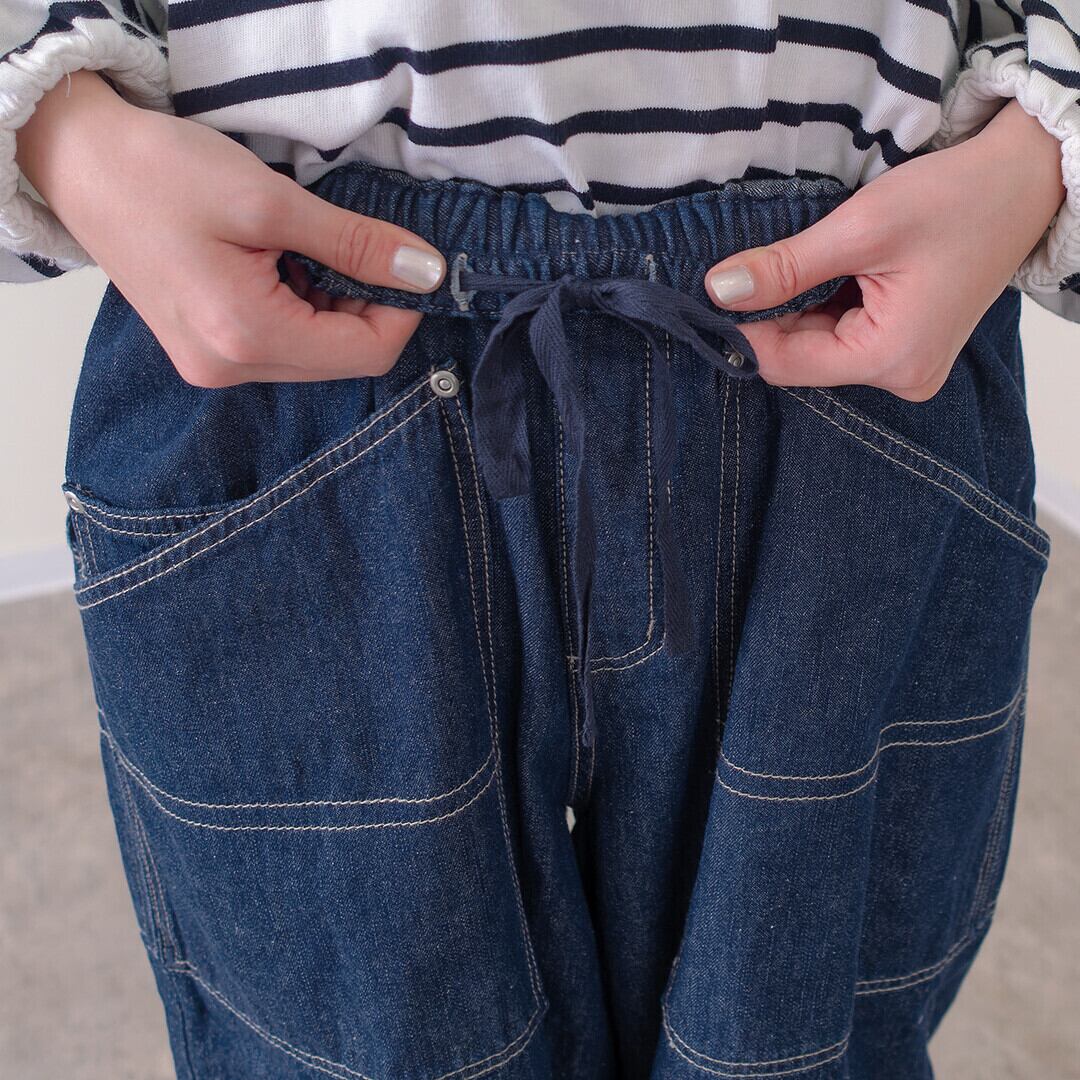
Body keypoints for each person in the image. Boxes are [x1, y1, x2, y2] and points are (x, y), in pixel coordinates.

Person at [1, 4, 1075, 1077]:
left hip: (840, 352)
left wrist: (1040, 158)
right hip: (307, 366)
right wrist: (66, 132)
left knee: (802, 1046)